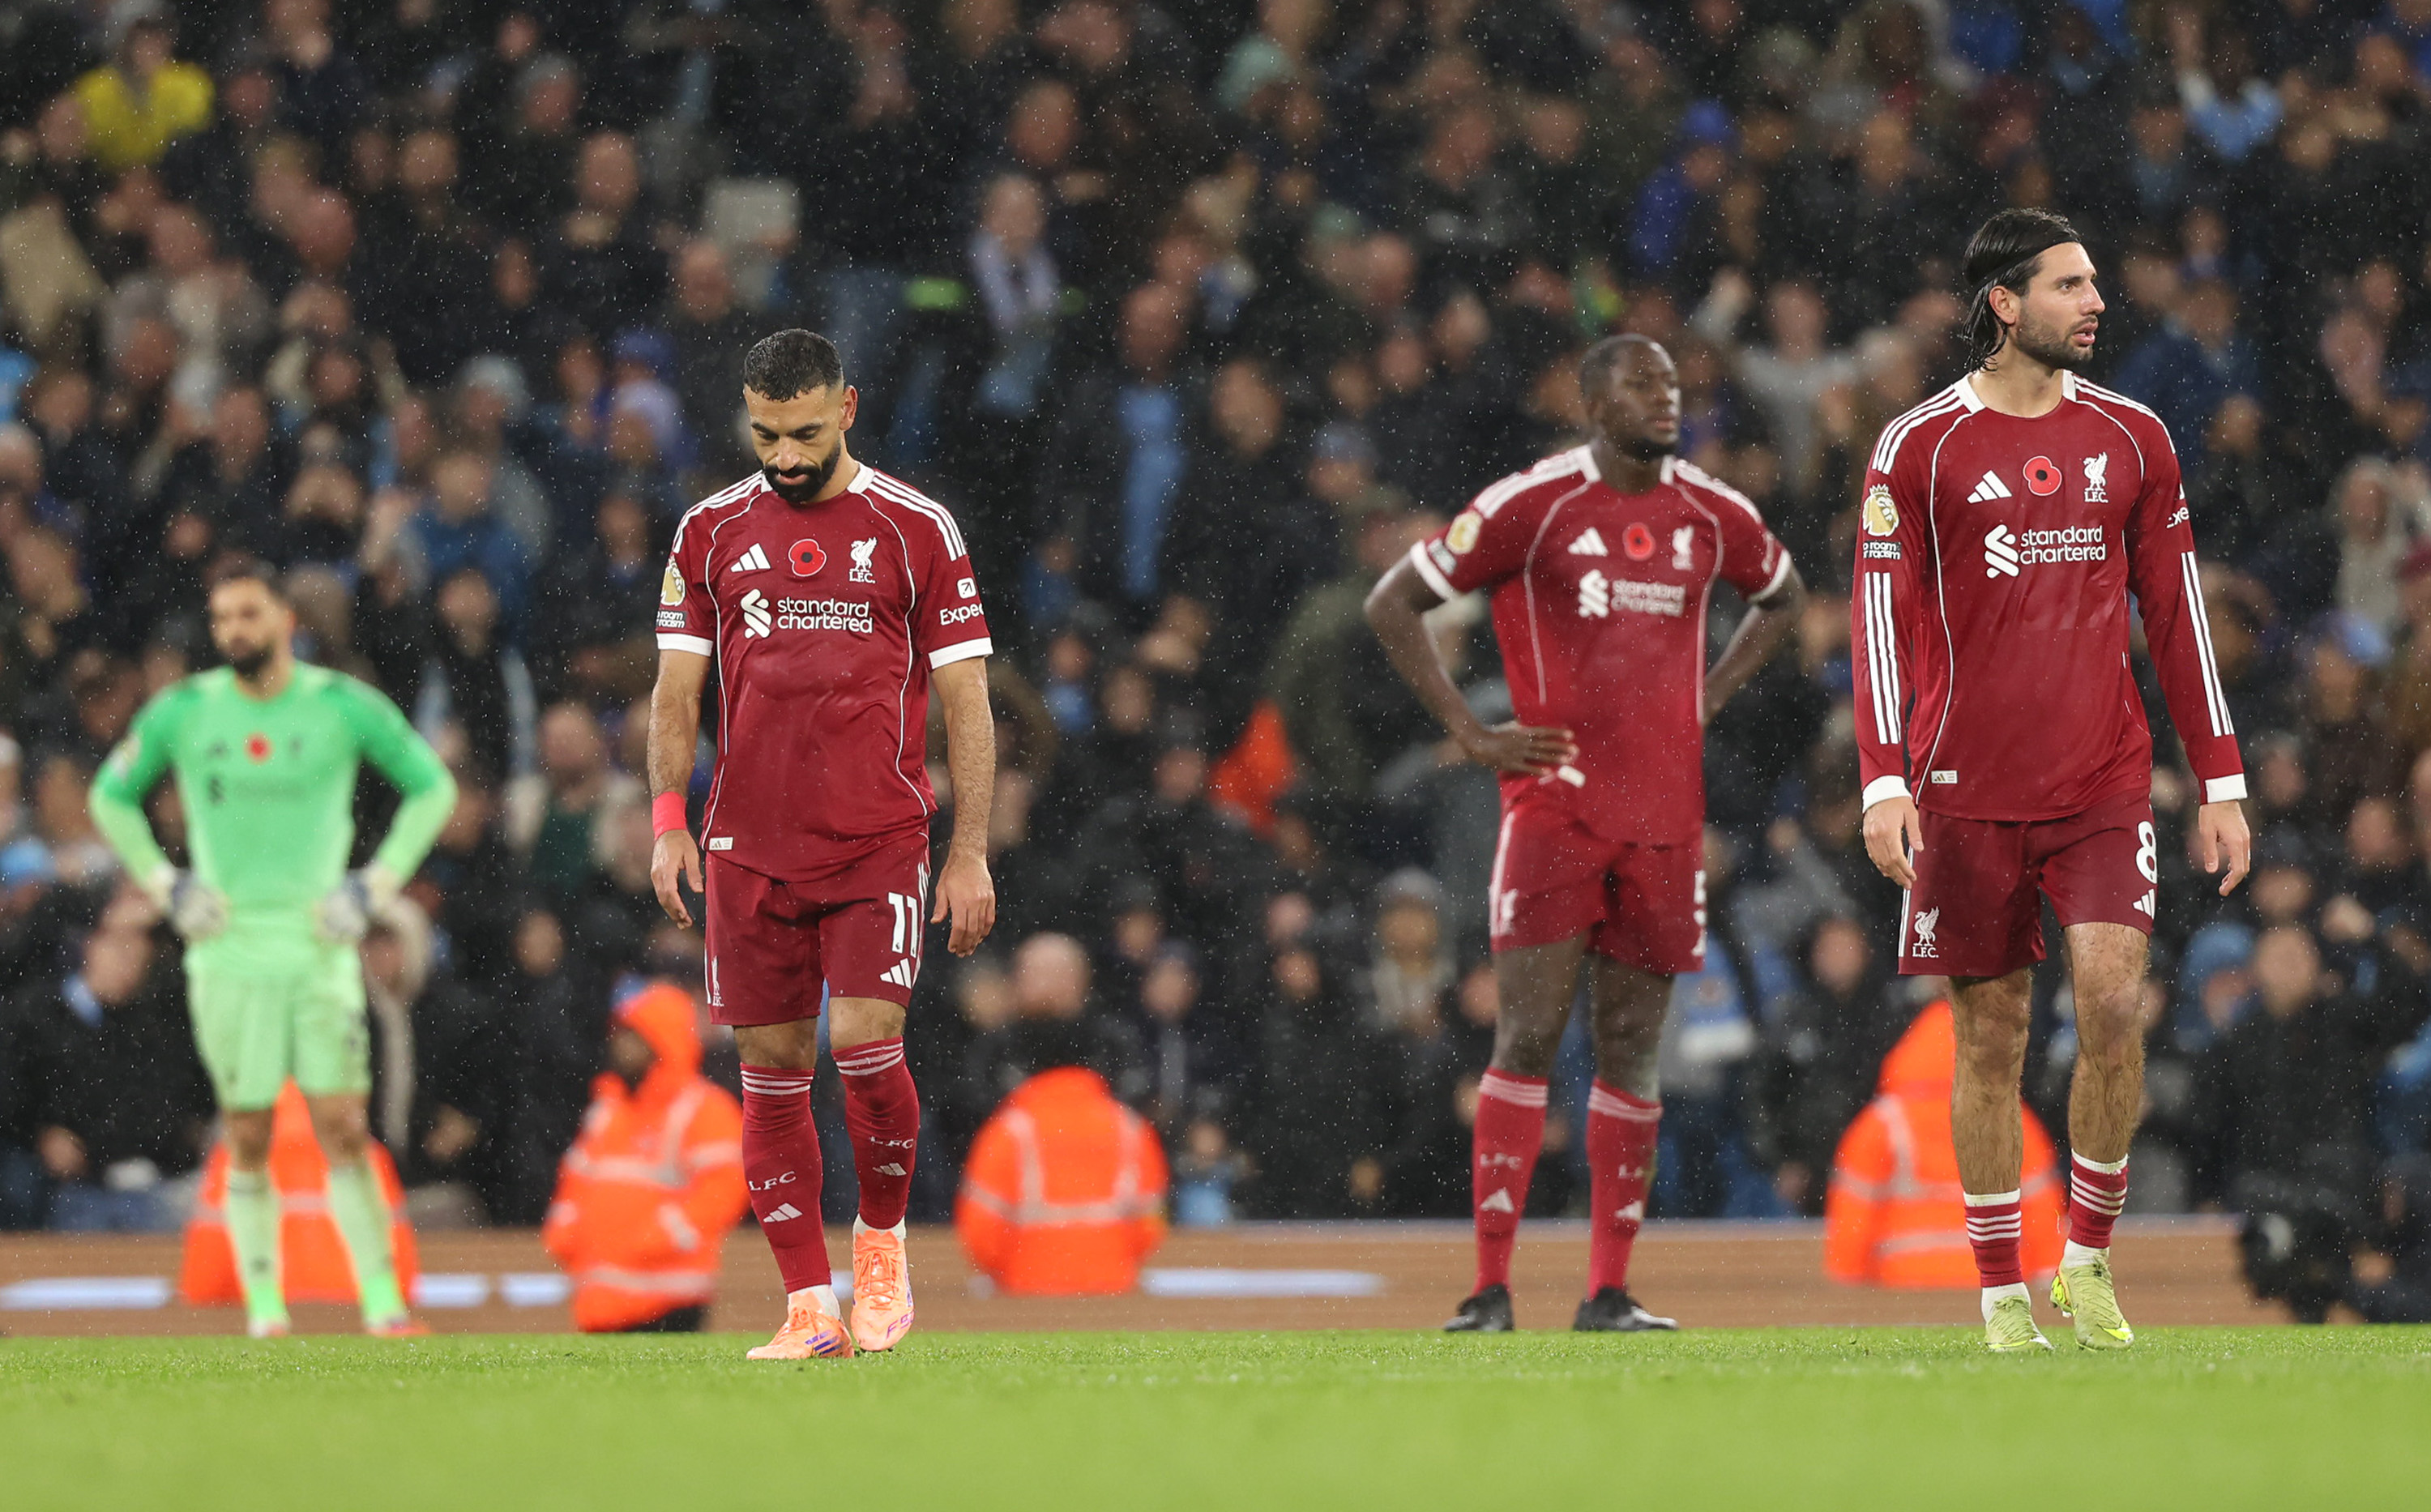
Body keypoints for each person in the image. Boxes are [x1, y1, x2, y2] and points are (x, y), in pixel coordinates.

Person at [1848, 208, 2252, 1352]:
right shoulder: (1914, 448)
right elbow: (1877, 620)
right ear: (2005, 304)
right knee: (1991, 1041)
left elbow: (2178, 617)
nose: (2097, 303)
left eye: (2095, 283)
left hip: (2103, 781)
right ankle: (2000, 1289)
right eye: (2071, 285)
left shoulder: (2134, 439)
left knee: (2116, 1004)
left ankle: (2086, 1259)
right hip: (1961, 787)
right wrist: (1884, 780)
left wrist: (2217, 775)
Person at [1365, 334, 1806, 1332]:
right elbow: (1393, 603)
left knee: (1633, 1053)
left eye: (1674, 384)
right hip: (1556, 811)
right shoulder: (1535, 502)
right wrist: (1471, 732)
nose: (1667, 397)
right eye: (1643, 383)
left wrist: (1711, 694)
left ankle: (1608, 1291)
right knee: (1525, 1036)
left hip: (1664, 821)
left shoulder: (1711, 509)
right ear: (1590, 401)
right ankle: (1489, 1290)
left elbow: (1782, 597)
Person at [648, 329, 998, 1360]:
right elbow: (674, 694)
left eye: (803, 432)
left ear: (847, 408)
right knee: (769, 1070)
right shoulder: (708, 531)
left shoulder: (916, 529)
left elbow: (968, 704)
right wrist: (669, 823)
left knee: (864, 1043)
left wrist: (968, 849)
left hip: (876, 842)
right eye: (766, 434)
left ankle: (881, 1243)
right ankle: (809, 1306)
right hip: (747, 847)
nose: (785, 456)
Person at [88, 557, 459, 1337]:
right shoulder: (184, 711)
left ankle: (385, 1307)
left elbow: (434, 786)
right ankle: (264, 1310)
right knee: (247, 1132)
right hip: (226, 949)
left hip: (318, 944)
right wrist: (166, 886)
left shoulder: (341, 706)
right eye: (222, 619)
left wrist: (375, 886)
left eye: (248, 615)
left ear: (287, 621)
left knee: (344, 1127)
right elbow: (108, 795)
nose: (233, 632)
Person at [543, 980, 748, 1334]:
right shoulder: (608, 1109)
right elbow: (576, 1179)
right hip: (600, 1300)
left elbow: (725, 1190)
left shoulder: (704, 1110)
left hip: (670, 1300)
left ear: (660, 1042)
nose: (619, 1046)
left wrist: (663, 1236)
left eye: (631, 1037)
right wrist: (565, 1228)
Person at [955, 1018, 1170, 1296]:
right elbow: (1150, 1223)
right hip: (1113, 1292)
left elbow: (980, 1229)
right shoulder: (1129, 1126)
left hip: (1025, 1294)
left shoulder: (1009, 1131)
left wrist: (1012, 1270)